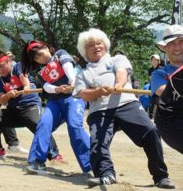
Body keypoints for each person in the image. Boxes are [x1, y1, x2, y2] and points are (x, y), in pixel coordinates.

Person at [73, 28, 174, 188]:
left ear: (105, 45)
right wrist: (98, 91)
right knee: (97, 143)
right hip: (99, 111)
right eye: (90, 45)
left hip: (126, 104)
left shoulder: (117, 59)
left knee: (151, 131)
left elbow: (122, 72)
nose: (96, 47)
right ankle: (106, 175)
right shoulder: (82, 73)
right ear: (85, 51)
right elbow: (82, 93)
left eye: (98, 43)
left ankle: (160, 176)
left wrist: (119, 85)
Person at [21, 40, 91, 174]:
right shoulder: (40, 71)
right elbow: (46, 87)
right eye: (36, 58)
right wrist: (58, 89)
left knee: (74, 126)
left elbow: (67, 66)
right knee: (43, 123)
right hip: (55, 100)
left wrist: (72, 81)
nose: (39, 58)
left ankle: (91, 165)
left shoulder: (60, 54)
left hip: (74, 96)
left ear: (46, 48)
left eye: (39, 53)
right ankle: (37, 161)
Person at [0, 50, 59, 158]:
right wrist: (8, 95)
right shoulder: (0, 79)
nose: (0, 70)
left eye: (2, 66)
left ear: (8, 61)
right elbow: (1, 99)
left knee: (38, 125)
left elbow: (23, 77)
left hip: (29, 107)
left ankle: (54, 154)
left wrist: (26, 87)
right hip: (13, 111)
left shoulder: (18, 67)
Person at [151, 24, 183, 154]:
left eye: (181, 42)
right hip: (172, 124)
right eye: (171, 43)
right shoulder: (159, 74)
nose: (177, 47)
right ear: (164, 48)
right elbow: (165, 92)